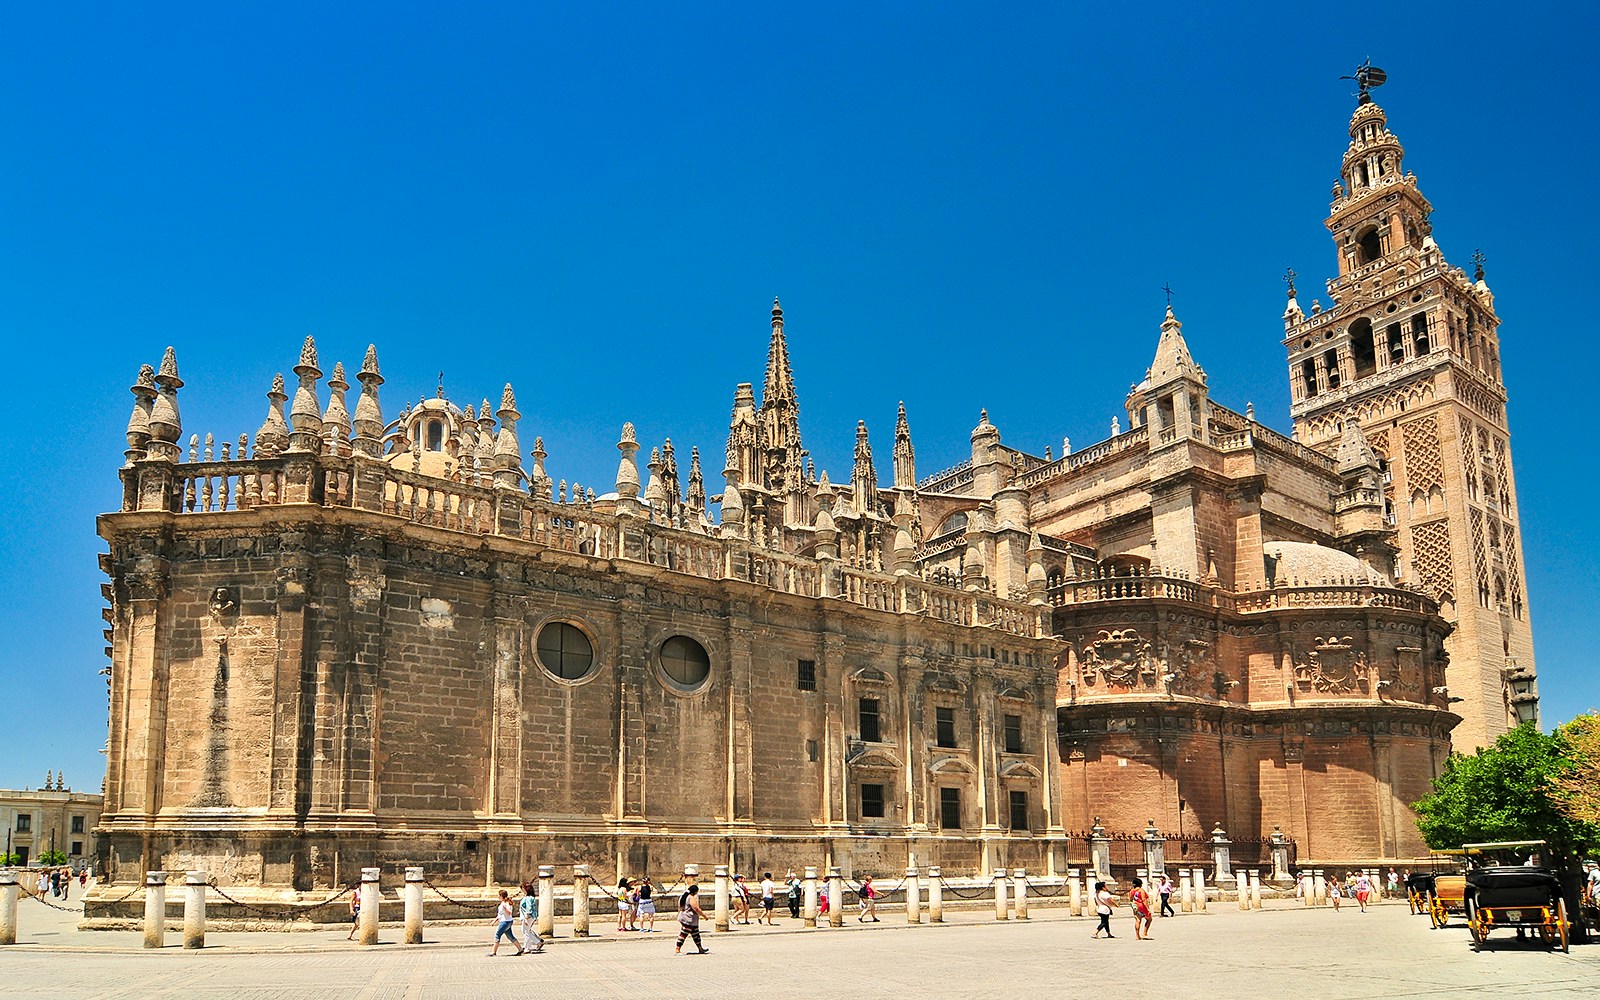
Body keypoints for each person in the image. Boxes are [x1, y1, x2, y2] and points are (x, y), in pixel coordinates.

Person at [675, 883, 710, 955]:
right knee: (683, 933)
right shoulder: (690, 898)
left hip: (685, 917)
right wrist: (704, 916)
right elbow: (696, 908)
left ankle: (700, 948)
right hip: (689, 919)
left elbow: (679, 907)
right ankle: (677, 949)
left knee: (696, 934)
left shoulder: (683, 896)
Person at [490, 888, 523, 956]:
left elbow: (509, 913)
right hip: (506, 921)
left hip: (505, 921)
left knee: (497, 935)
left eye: (499, 895)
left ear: (502, 896)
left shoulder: (506, 903)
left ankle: (493, 951)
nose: (498, 897)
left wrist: (505, 908)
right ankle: (520, 949)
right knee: (510, 936)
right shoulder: (503, 903)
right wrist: (494, 921)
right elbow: (500, 915)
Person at [519, 881, 544, 953]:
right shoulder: (529, 897)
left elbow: (528, 908)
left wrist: (526, 918)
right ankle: (536, 942)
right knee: (526, 931)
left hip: (528, 917)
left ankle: (528, 947)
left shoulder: (528, 898)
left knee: (526, 931)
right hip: (529, 917)